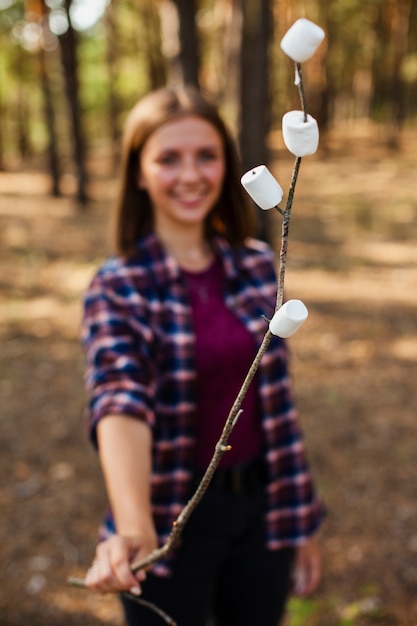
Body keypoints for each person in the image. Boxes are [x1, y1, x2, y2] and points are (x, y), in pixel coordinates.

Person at [82, 85, 324, 626]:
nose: (191, 174)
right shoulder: (119, 286)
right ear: (139, 173)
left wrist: (298, 520)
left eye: (206, 156)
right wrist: (133, 526)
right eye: (169, 158)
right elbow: (120, 400)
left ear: (227, 165)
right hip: (171, 510)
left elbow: (275, 404)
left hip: (265, 511)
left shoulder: (258, 266)